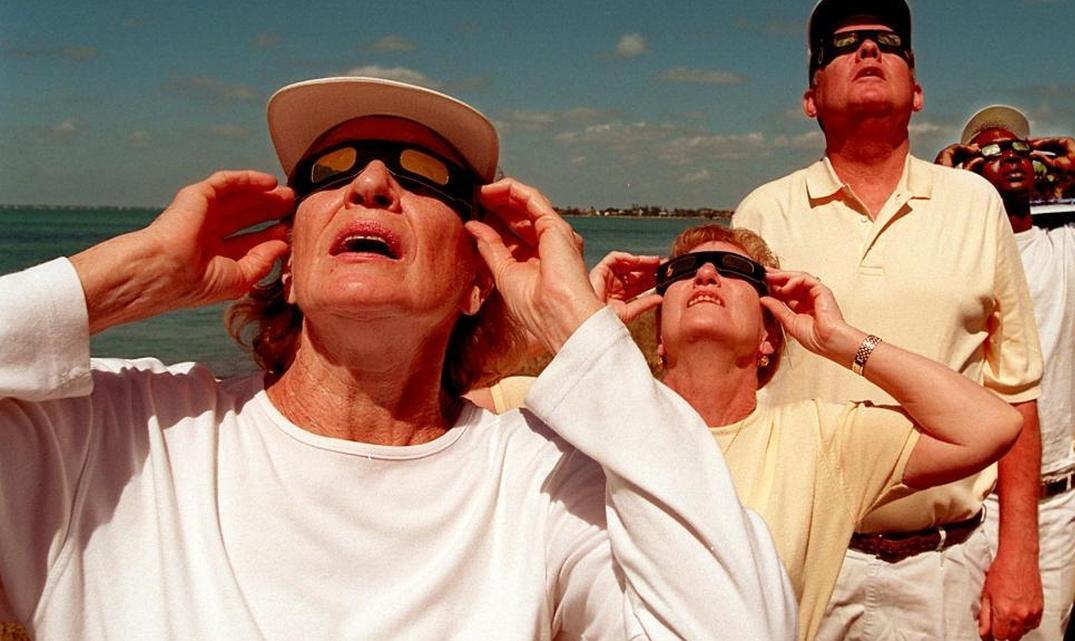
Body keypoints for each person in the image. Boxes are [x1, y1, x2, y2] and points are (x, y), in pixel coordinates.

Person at [0, 76, 797, 640]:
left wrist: (579, 331)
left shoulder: (541, 485)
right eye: (330, 171)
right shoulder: (116, 438)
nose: (373, 182)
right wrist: (126, 277)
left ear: (479, 279)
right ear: (288, 260)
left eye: (426, 175)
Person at [478, 224, 1023, 641]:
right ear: (658, 335)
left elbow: (989, 426)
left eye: (733, 270)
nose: (705, 276)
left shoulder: (822, 441)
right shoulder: (571, 410)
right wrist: (575, 334)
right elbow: (438, 410)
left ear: (769, 336)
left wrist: (841, 340)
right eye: (684, 270)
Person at [731, 1, 1045, 640]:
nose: (869, 50)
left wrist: (1020, 554)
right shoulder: (762, 213)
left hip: (945, 563)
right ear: (810, 99)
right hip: (798, 555)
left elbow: (1015, 391)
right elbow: (732, 387)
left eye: (888, 42)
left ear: (918, 92)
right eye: (842, 45)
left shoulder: (976, 204)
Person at [935, 104, 1075, 640]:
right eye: (991, 150)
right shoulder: (946, 257)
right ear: (970, 170)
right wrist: (941, 184)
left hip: (1049, 502)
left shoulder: (1073, 245)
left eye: (1020, 148)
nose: (1011, 156)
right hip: (966, 499)